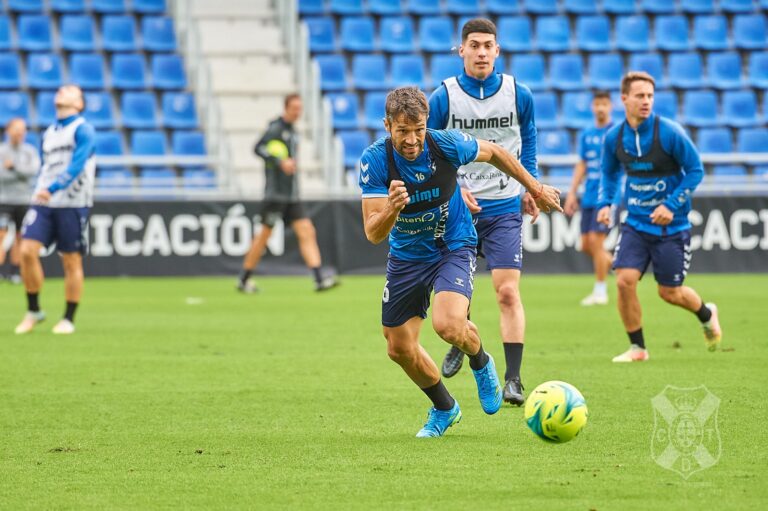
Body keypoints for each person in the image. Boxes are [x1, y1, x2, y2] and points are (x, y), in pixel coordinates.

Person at [359, 86, 561, 437]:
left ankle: (481, 361)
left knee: (449, 325)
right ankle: (444, 408)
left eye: (419, 129)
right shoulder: (375, 160)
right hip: (407, 256)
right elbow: (373, 234)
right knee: (398, 347)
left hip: (452, 245)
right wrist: (392, 207)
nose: (412, 140)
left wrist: (535, 187)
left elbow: (496, 152)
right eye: (403, 131)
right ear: (387, 125)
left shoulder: (445, 144)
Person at [427, 18, 538, 406]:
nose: (481, 52)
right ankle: (463, 338)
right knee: (460, 291)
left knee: (507, 292)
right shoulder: (443, 97)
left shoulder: (518, 94)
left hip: (505, 205)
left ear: (497, 50)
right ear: (461, 50)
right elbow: (429, 150)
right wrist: (453, 185)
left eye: (488, 45)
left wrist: (531, 185)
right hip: (458, 209)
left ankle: (513, 379)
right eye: (474, 45)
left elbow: (528, 140)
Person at [596, 72, 722, 362]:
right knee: (624, 280)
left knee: (670, 293)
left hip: (672, 227)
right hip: (635, 224)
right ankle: (638, 349)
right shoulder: (614, 138)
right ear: (624, 99)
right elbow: (609, 173)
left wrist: (670, 205)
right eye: (640, 96)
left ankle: (706, 314)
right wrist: (606, 203)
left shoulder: (669, 132)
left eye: (650, 96)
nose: (646, 101)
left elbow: (695, 171)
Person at [15, 85, 95, 335]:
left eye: (69, 91)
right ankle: (34, 310)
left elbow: (78, 164)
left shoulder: (83, 129)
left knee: (71, 259)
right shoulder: (49, 132)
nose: (61, 91)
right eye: (60, 89)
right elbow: (45, 166)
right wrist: (43, 189)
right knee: (27, 250)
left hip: (72, 202)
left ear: (79, 103)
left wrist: (54, 187)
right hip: (44, 201)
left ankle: (68, 318)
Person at [237, 94, 338, 293]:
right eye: (294, 108)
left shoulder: (293, 131)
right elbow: (258, 148)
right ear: (286, 108)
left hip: (291, 195)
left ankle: (318, 278)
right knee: (263, 236)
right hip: (275, 195)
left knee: (306, 230)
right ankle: (244, 278)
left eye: (300, 108)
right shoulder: (276, 128)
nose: (297, 112)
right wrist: (279, 161)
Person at [564, 90, 620, 306]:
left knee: (597, 242)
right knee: (586, 245)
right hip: (589, 194)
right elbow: (582, 164)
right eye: (597, 104)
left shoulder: (616, 132)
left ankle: (600, 291)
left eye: (604, 104)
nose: (601, 108)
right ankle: (619, 266)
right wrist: (572, 192)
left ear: (610, 106)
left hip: (608, 196)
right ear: (592, 107)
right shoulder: (587, 134)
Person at [0, 118, 40, 283]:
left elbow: (33, 171)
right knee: (1, 235)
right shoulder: (2, 151)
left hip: (24, 200)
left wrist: (13, 168)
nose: (20, 133)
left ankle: (15, 272)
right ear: (8, 131)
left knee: (20, 236)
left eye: (22, 130)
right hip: (3, 201)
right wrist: (20, 175)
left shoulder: (30, 151)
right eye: (16, 129)